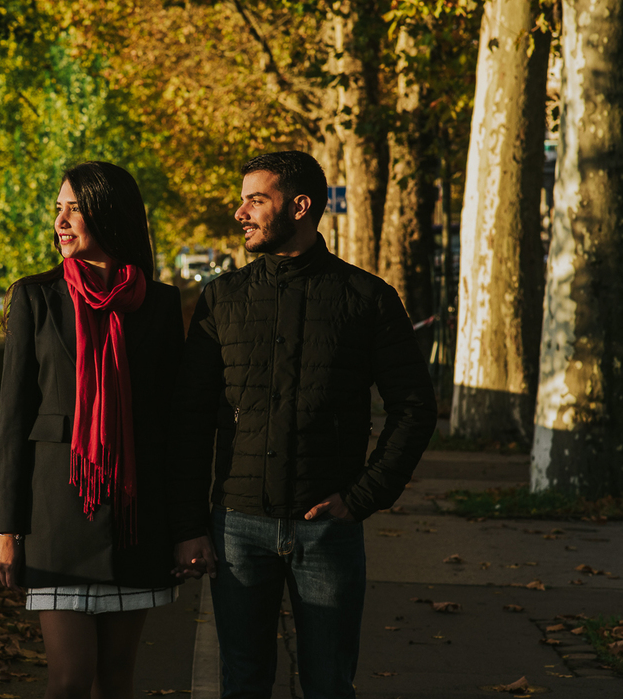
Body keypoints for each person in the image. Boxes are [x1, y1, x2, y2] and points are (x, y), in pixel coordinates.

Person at [169, 151, 437, 699]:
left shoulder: (367, 299)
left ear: (300, 205)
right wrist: (189, 525)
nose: (240, 211)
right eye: (242, 199)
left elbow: (414, 406)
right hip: (237, 527)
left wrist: (361, 497)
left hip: (329, 531)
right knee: (242, 682)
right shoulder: (222, 299)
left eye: (255, 200)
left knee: (329, 685)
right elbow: (191, 417)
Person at [0, 161, 185, 699]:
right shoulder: (35, 298)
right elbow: (12, 421)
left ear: (110, 211)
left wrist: (187, 525)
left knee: (116, 680)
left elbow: (175, 427)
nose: (61, 219)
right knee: (69, 680)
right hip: (56, 519)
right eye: (58, 208)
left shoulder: (162, 304)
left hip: (136, 518)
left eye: (74, 207)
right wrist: (5, 528)